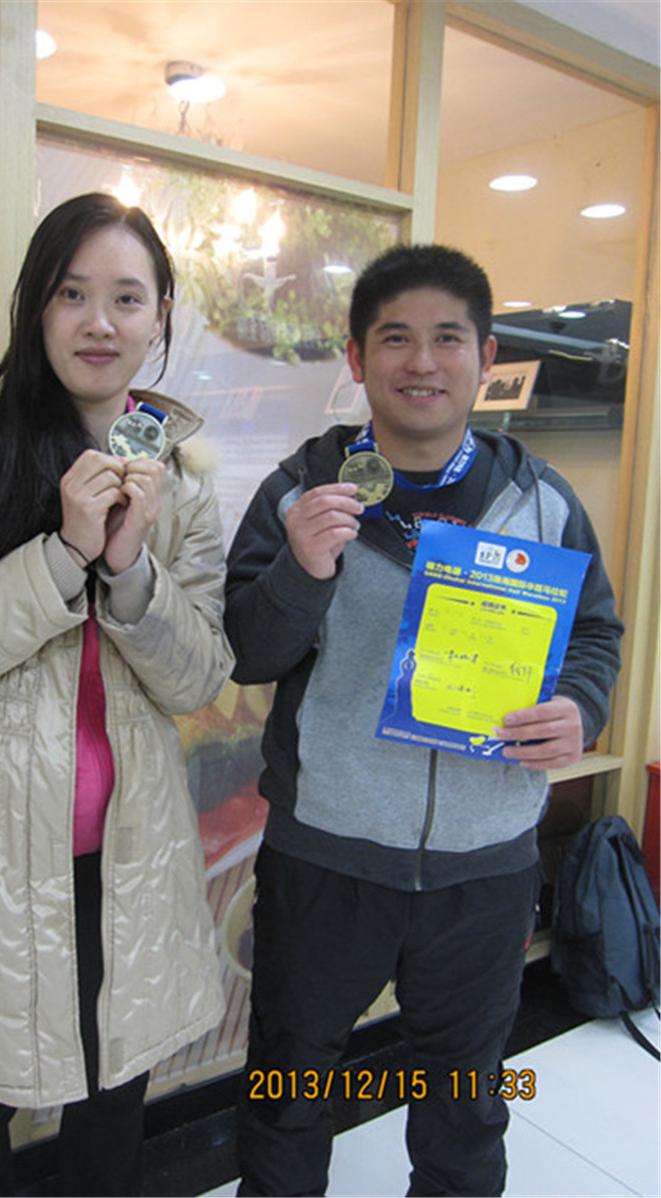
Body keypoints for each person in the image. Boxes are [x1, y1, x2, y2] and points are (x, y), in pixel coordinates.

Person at [224, 244, 623, 1197]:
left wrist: (580, 707)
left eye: (448, 338)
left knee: (467, 1103)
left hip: (485, 867)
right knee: (289, 1090)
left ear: (486, 358)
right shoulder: (299, 492)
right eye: (395, 338)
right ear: (357, 359)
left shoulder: (540, 501)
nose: (422, 362)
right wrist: (300, 571)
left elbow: (594, 634)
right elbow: (248, 652)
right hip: (327, 858)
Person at [0, 192, 233, 1196]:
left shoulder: (184, 478)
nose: (99, 322)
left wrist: (131, 570)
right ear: (35, 305)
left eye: (127, 298)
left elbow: (199, 675)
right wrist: (63, 555)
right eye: (72, 293)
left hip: (125, 859)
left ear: (159, 316)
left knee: (111, 1109)